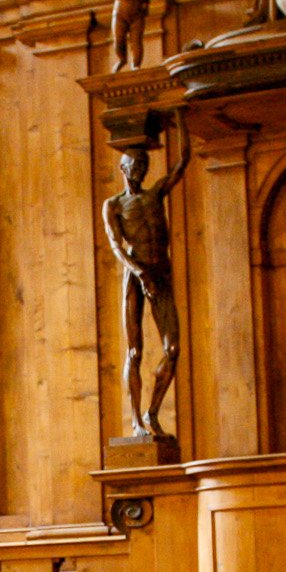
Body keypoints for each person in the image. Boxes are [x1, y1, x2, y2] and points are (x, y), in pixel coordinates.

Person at [102, 126, 191, 440]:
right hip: (136, 272)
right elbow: (115, 244)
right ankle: (136, 420)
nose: (140, 170)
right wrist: (138, 271)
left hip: (160, 270)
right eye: (135, 165)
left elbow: (182, 162)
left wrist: (180, 116)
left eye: (144, 165)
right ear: (124, 168)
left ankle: (153, 412)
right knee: (135, 350)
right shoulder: (113, 205)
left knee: (173, 347)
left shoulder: (155, 194)